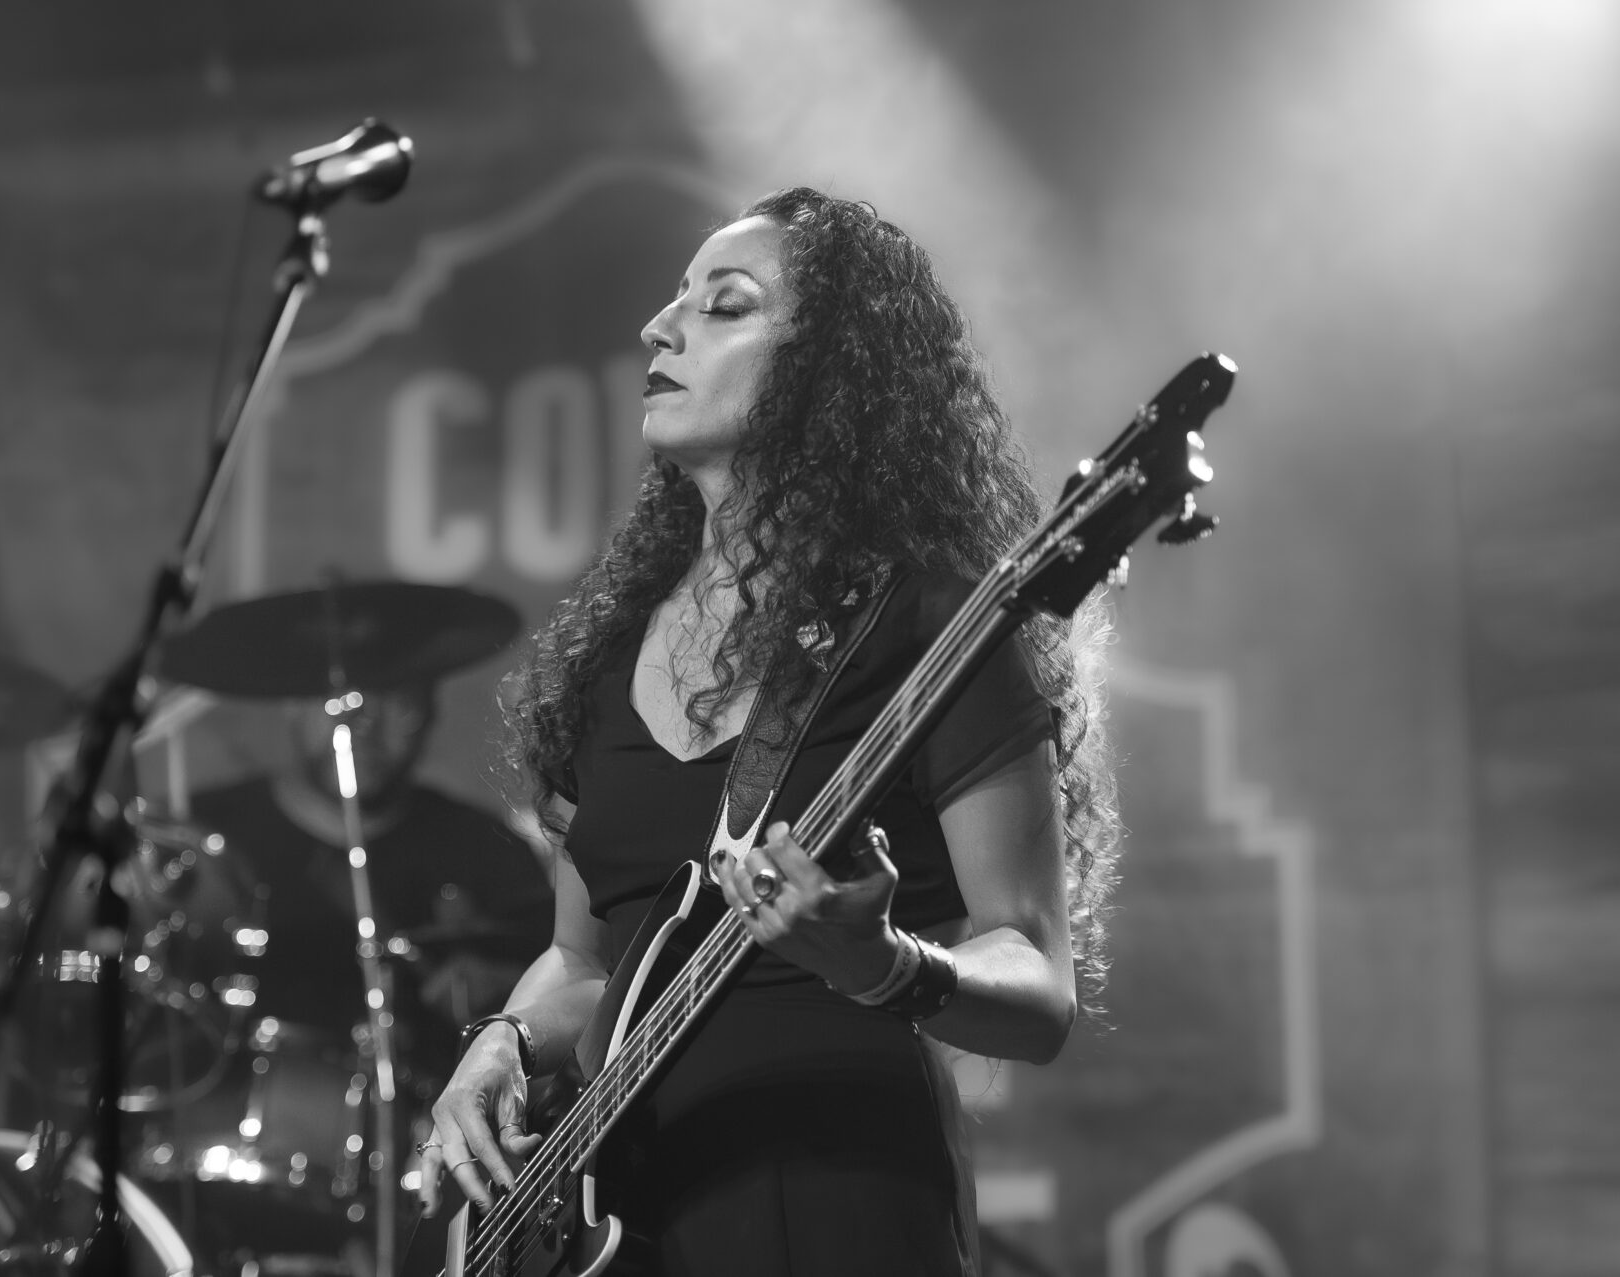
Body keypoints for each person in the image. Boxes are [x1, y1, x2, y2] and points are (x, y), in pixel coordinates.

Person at [417, 187, 1119, 1276]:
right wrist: (499, 1045)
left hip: (834, 1191)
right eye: (672, 301)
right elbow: (584, 957)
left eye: (725, 305)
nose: (662, 325)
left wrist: (885, 963)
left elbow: (1037, 980)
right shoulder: (608, 659)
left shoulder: (932, 624)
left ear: (826, 369)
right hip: (630, 1208)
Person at [188, 679, 556, 1079]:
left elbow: (563, 980)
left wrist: (503, 999)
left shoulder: (487, 847)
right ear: (293, 701)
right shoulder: (202, 841)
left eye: (398, 701)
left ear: (432, 712)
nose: (363, 725)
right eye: (340, 698)